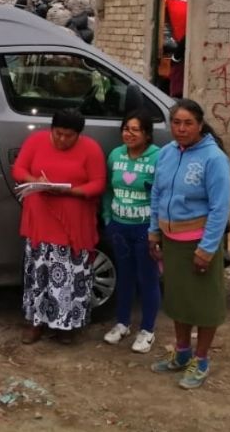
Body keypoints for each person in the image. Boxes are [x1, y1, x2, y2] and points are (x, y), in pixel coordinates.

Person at [148, 98, 230, 390]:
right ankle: (182, 353)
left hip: (198, 243)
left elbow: (220, 208)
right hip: (170, 241)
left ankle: (201, 359)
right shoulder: (167, 153)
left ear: (199, 125)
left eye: (188, 123)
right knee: (179, 301)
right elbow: (156, 194)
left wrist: (207, 249)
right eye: (176, 123)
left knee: (205, 305)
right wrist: (153, 232)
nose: (181, 129)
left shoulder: (213, 158)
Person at [12, 108, 107, 344]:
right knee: (39, 275)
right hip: (41, 223)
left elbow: (98, 183)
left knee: (68, 278)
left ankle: (66, 326)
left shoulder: (91, 148)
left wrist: (71, 191)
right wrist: (36, 181)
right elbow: (19, 169)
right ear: (51, 129)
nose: (62, 139)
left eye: (68, 135)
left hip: (72, 226)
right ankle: (36, 323)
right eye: (58, 134)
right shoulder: (35, 141)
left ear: (78, 135)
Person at [101, 111, 161, 353]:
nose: (129, 133)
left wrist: (156, 230)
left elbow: (161, 195)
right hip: (118, 226)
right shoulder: (115, 155)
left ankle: (147, 330)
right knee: (124, 277)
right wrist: (107, 218)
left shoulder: (158, 157)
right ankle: (122, 323)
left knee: (147, 279)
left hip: (145, 229)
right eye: (126, 128)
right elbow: (107, 189)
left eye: (135, 129)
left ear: (147, 134)